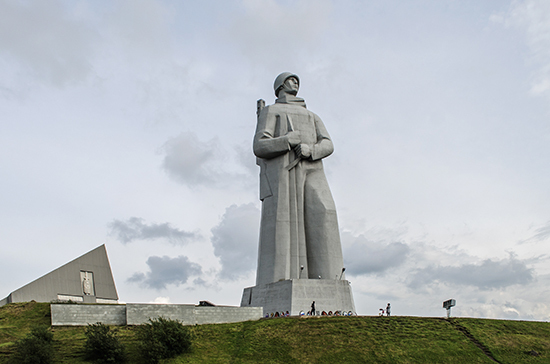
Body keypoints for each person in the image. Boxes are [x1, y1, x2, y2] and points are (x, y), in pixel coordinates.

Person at [254, 72, 344, 286]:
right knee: (283, 226)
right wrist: (286, 140)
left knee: (324, 211)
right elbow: (259, 145)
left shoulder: (312, 116)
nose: (296, 83)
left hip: (312, 168)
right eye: (291, 80)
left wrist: (310, 149)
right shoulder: (272, 111)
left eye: (297, 80)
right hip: (283, 173)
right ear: (280, 85)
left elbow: (328, 143)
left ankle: (331, 278)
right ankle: (280, 279)